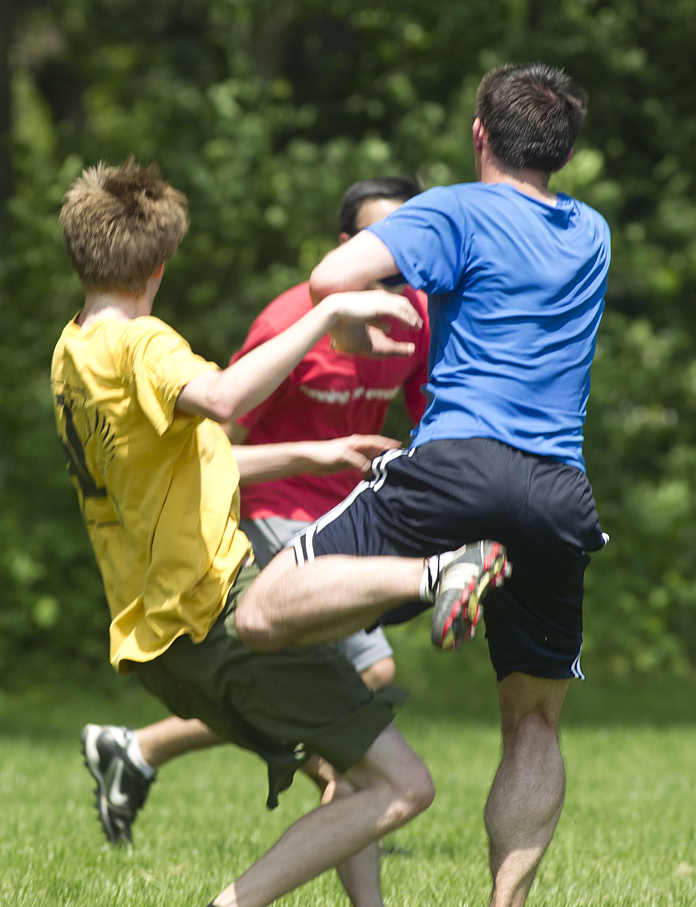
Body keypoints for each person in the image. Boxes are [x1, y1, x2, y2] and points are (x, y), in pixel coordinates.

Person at [231, 62, 611, 907]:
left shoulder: (453, 209)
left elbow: (330, 279)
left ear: (480, 134)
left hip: (456, 464)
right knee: (535, 721)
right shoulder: (592, 232)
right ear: (563, 151)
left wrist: (357, 326)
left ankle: (436, 571)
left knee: (260, 610)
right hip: (559, 492)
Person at [52, 160, 451, 907]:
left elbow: (188, 463)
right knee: (405, 785)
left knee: (348, 773)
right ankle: (445, 573)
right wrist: (324, 315)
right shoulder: (145, 344)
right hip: (217, 609)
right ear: (160, 265)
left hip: (158, 636)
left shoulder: (73, 351)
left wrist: (312, 454)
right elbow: (223, 396)